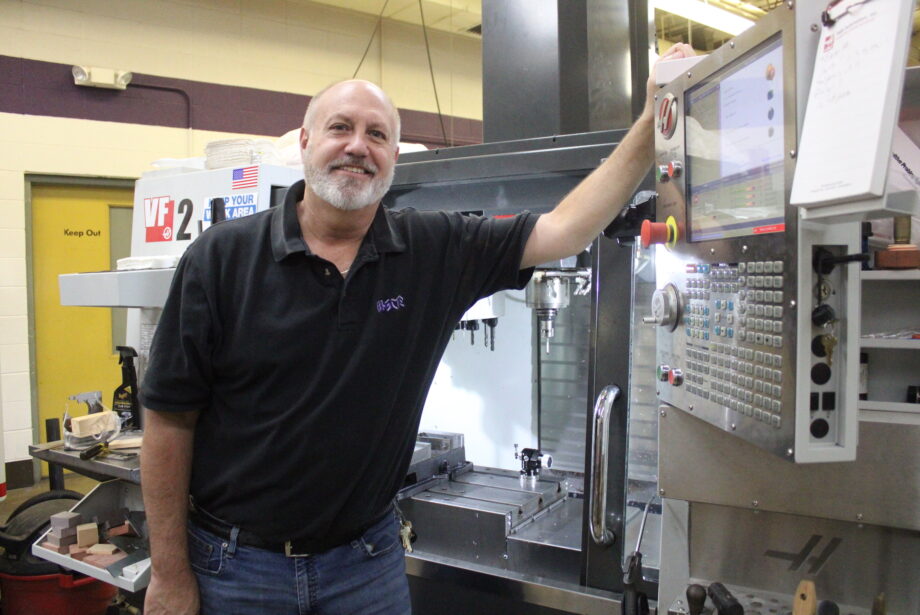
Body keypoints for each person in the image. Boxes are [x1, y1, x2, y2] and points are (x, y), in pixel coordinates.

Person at [140, 43, 694, 615]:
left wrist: (653, 124)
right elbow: (167, 419)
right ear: (305, 143)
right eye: (340, 128)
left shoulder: (432, 249)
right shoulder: (221, 258)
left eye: (377, 135)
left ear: (393, 158)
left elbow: (564, 231)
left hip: (365, 565)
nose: (358, 146)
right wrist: (169, 571)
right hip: (237, 568)